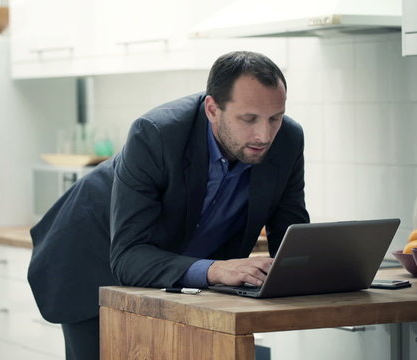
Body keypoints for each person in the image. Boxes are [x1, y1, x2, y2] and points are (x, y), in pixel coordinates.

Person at [28, 50, 310, 360]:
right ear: (212, 109)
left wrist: (320, 267)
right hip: (93, 260)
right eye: (248, 119)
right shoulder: (156, 133)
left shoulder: (288, 140)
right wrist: (216, 269)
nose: (264, 134)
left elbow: (291, 238)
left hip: (180, 276)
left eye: (275, 117)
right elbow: (129, 257)